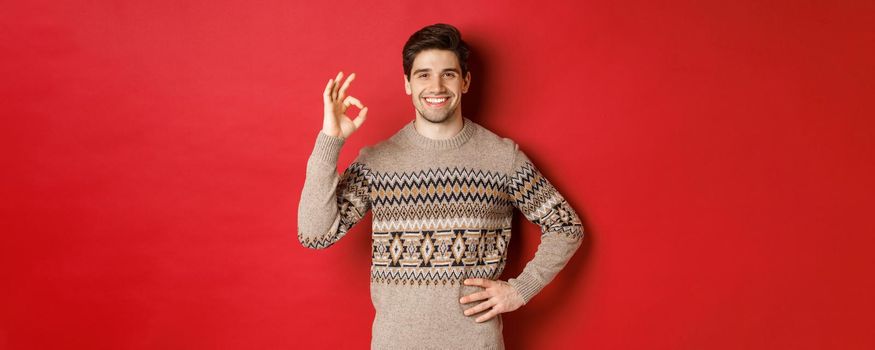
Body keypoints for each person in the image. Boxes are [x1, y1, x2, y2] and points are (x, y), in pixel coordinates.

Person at [297, 23, 584, 350]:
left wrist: (521, 289)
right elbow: (315, 235)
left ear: (465, 81)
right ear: (407, 84)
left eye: (448, 74)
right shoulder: (378, 161)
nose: (436, 86)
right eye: (423, 75)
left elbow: (565, 226)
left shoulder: (501, 157)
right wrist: (330, 139)